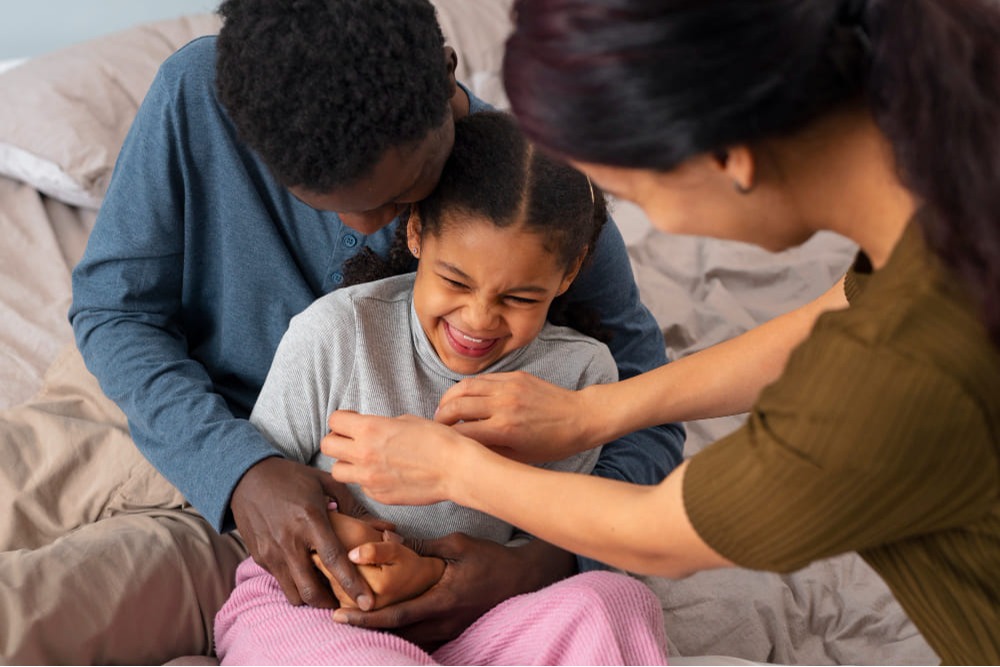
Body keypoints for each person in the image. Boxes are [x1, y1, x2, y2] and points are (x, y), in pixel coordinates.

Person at [0, 0, 682, 662]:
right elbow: (116, 312)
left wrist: (537, 562)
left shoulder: (524, 199)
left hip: (332, 533)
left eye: (401, 192)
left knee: (47, 608)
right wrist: (242, 470)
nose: (365, 225)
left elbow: (647, 408)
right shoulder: (198, 96)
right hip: (157, 402)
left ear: (446, 78)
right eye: (324, 201)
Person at [321, 0, 1000, 664]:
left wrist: (454, 468)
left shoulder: (903, 368)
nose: (662, 226)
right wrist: (596, 412)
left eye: (641, 199)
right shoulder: (952, 184)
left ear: (727, 155)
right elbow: (843, 309)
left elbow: (660, 534)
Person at [213, 110, 669, 665]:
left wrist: (434, 576)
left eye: (520, 298)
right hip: (315, 605)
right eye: (456, 281)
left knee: (615, 601)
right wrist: (362, 554)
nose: (478, 320)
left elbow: (549, 540)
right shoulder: (337, 332)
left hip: (479, 618)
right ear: (416, 232)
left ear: (569, 274)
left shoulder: (580, 376)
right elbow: (270, 501)